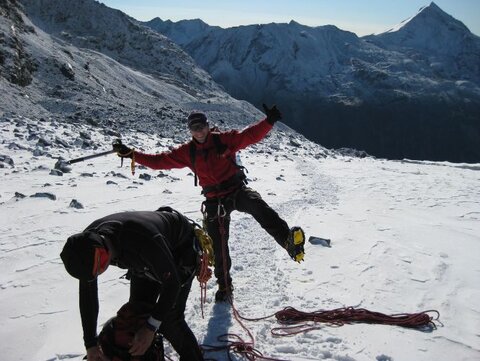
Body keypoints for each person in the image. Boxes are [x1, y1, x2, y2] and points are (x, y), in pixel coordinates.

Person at [113, 104, 305, 302]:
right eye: (194, 128)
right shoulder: (188, 152)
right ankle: (224, 286)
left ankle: (288, 243)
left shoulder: (224, 139)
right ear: (190, 131)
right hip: (214, 200)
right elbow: (160, 161)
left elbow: (249, 136)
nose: (199, 131)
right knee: (218, 244)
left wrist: (268, 122)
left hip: (235, 191)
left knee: (258, 206)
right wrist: (132, 155)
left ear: (208, 125)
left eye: (201, 126)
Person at [60, 208, 205, 361]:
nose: (102, 268)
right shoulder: (83, 247)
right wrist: (90, 344)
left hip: (180, 249)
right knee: (136, 313)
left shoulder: (140, 239)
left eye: (102, 262)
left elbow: (172, 284)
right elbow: (88, 298)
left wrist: (150, 328)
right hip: (142, 259)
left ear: (103, 247)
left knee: (169, 320)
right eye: (97, 270)